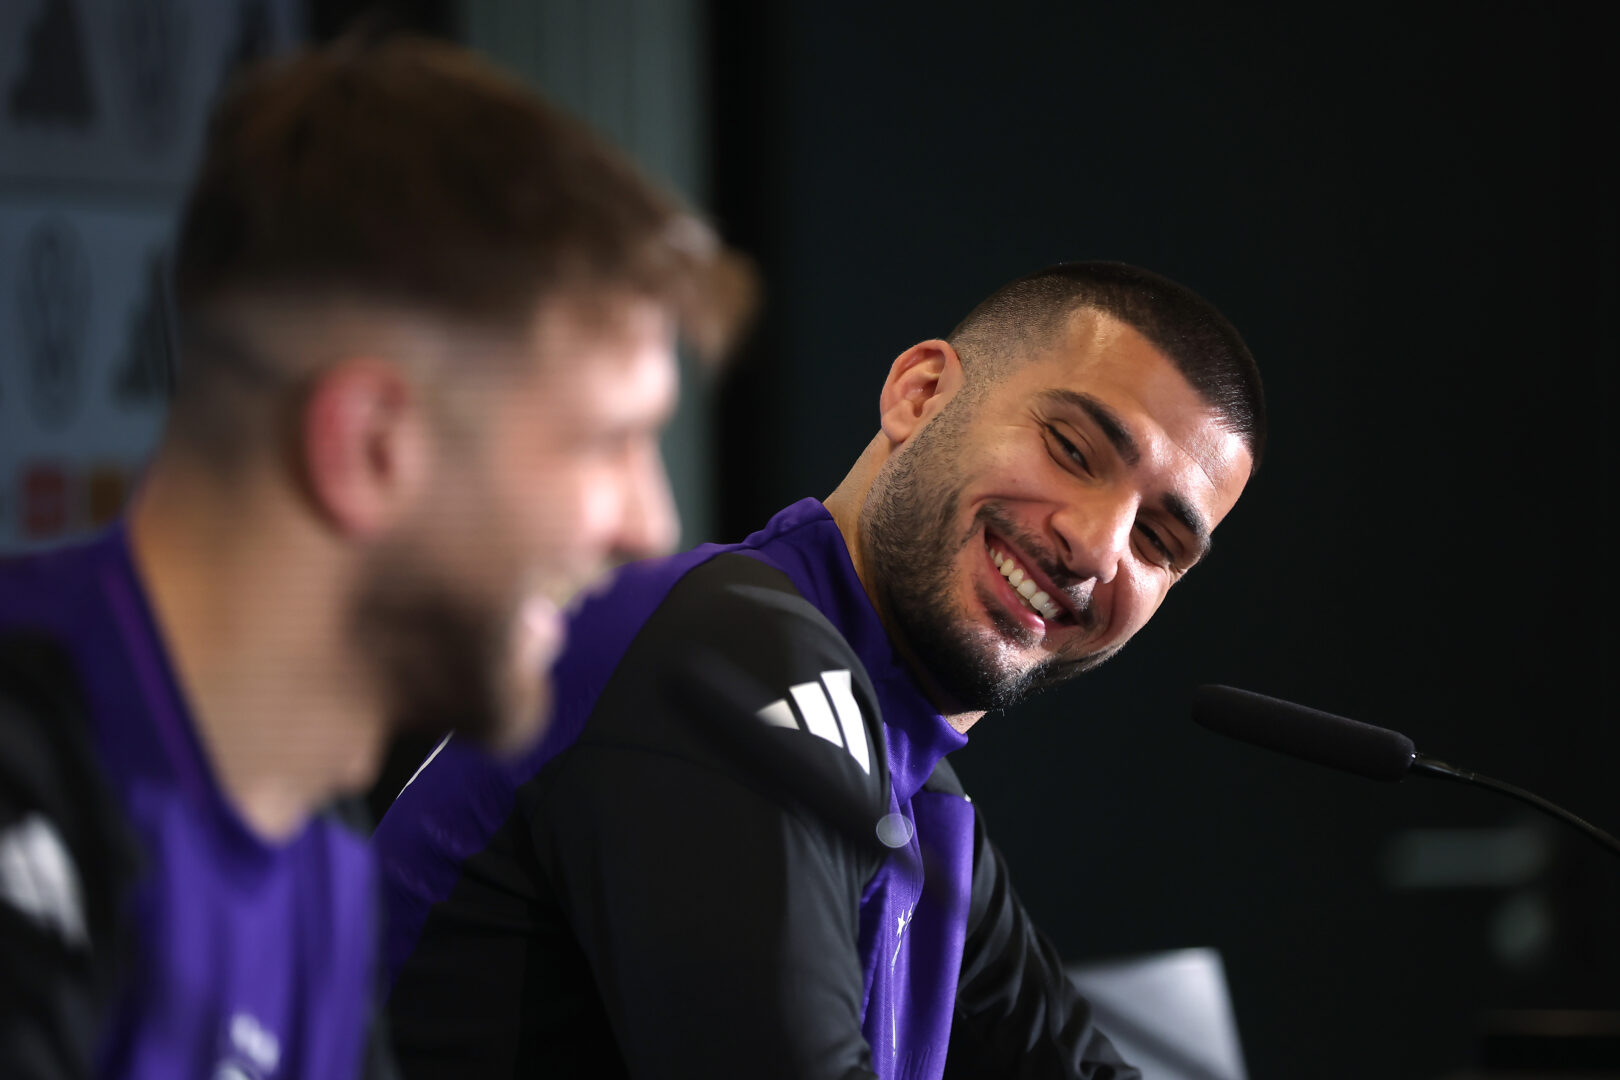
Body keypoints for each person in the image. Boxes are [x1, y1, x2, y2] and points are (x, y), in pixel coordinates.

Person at [0, 36, 748, 1080]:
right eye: (604, 444)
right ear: (369, 448)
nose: (649, 526)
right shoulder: (32, 777)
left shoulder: (315, 849)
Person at [374, 261, 1264, 1079]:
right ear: (918, 395)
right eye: (1071, 449)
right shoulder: (731, 653)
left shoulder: (926, 802)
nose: (1096, 546)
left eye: (1158, 540)